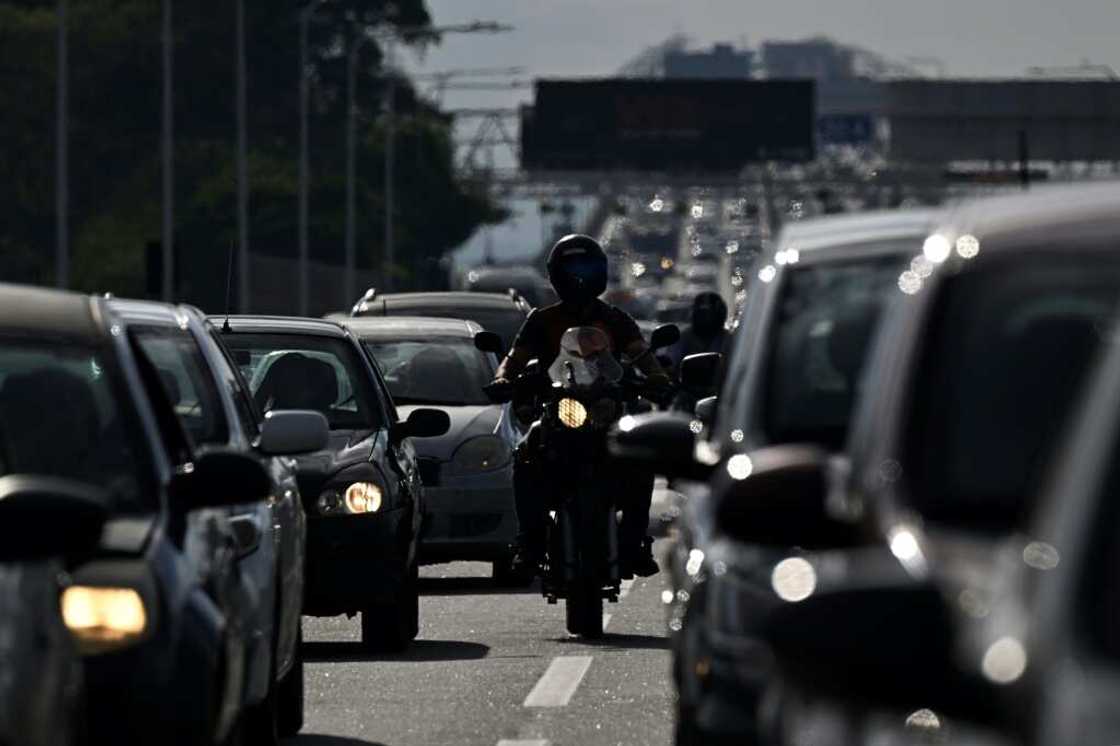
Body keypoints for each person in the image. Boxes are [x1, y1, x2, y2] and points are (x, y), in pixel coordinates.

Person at [490, 234, 671, 578]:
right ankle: (529, 542)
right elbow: (514, 360)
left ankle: (634, 543)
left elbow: (641, 355)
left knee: (639, 459)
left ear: (601, 272)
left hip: (607, 408)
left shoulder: (615, 319)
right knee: (526, 453)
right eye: (572, 268)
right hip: (559, 407)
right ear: (556, 273)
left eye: (587, 267)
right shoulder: (541, 320)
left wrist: (657, 378)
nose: (580, 276)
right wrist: (503, 379)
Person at [670, 291, 729, 374]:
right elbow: (672, 365)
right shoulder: (683, 338)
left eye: (709, 315)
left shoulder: (728, 340)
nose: (705, 320)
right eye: (702, 314)